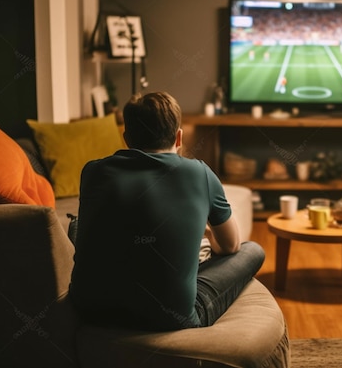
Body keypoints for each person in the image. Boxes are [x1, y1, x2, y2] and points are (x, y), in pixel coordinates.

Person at [69, 91, 265, 331]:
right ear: (179, 137)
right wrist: (206, 233)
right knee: (252, 250)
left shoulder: (93, 171)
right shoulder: (200, 173)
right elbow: (230, 246)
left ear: (126, 139)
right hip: (172, 319)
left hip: (90, 310)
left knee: (76, 224)